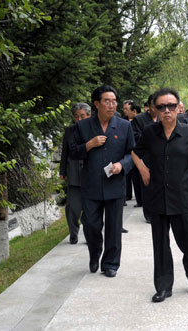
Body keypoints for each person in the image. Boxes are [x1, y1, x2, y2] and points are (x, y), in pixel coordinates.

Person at [132, 88, 188, 303]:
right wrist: (143, 169)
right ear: (154, 108)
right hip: (157, 196)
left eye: (171, 106)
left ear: (178, 107)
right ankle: (163, 286)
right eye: (161, 106)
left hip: (183, 196)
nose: (167, 110)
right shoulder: (149, 132)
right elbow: (135, 153)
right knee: (160, 244)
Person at [69, 85, 135, 277]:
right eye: (107, 101)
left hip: (115, 184)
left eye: (114, 101)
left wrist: (122, 165)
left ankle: (111, 264)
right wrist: (89, 145)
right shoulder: (83, 126)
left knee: (114, 227)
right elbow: (73, 152)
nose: (111, 105)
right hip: (91, 185)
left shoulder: (124, 126)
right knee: (90, 224)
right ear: (96, 104)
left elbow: (132, 153)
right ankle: (94, 252)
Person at [59, 103, 91, 244]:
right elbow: (65, 151)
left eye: (82, 116)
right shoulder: (69, 130)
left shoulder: (94, 128)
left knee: (90, 209)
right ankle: (73, 232)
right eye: (76, 116)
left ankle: (89, 234)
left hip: (90, 173)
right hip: (73, 173)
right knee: (73, 207)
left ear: (89, 116)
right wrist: (62, 171)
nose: (79, 119)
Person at [132, 95, 158, 223]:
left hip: (160, 156)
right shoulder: (139, 119)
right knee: (147, 185)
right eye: (154, 106)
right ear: (149, 106)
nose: (156, 109)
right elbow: (136, 137)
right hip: (145, 157)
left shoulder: (162, 118)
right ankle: (148, 215)